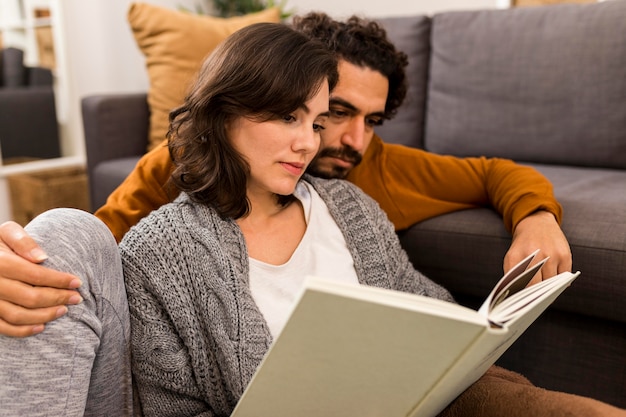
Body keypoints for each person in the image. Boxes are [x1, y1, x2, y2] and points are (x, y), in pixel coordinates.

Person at [0, 20, 623, 417]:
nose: (323, 141)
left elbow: (427, 297)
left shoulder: (357, 198)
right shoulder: (164, 230)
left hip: (407, 397)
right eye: (296, 116)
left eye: (321, 119)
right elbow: (93, 254)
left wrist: (534, 224)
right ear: (226, 112)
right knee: (60, 235)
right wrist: (18, 262)